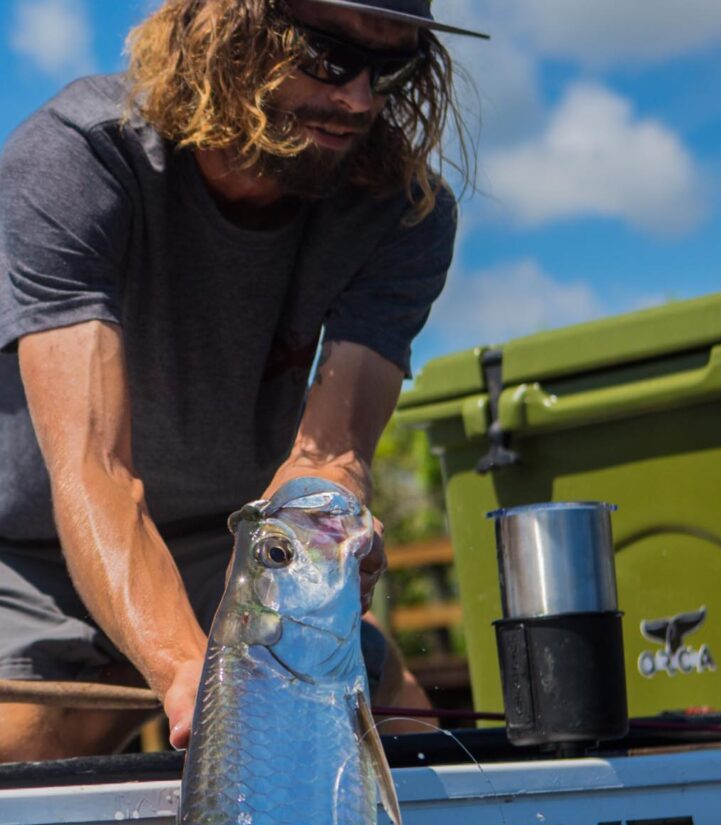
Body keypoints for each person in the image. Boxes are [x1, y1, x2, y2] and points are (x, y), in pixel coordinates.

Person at [0, 0, 486, 761]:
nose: (359, 99)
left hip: (236, 546)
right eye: (327, 57)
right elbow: (94, 471)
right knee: (28, 752)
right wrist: (185, 669)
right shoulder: (77, 160)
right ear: (230, 30)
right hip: (30, 553)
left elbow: (331, 456)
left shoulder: (404, 214)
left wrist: (325, 528)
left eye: (390, 68)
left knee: (413, 744)